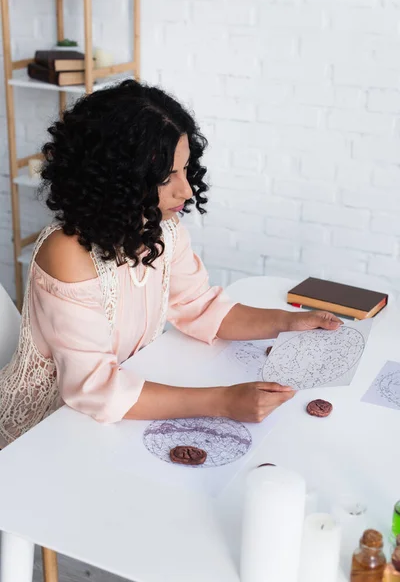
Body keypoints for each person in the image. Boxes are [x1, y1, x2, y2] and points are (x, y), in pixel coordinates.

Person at [0, 80, 341, 447]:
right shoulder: (68, 254)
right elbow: (94, 388)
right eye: (167, 177)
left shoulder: (161, 229)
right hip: (42, 432)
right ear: (118, 181)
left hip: (113, 416)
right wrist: (223, 402)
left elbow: (201, 307)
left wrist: (289, 323)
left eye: (185, 168)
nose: (187, 190)